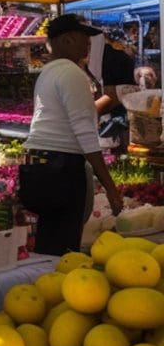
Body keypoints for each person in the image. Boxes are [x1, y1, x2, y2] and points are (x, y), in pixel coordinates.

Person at [19, 14, 123, 256]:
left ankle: (46, 276)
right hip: (60, 168)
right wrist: (110, 188)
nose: (88, 43)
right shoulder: (71, 73)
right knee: (64, 245)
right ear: (66, 40)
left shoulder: (48, 72)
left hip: (37, 166)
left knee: (49, 240)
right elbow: (85, 134)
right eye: (83, 37)